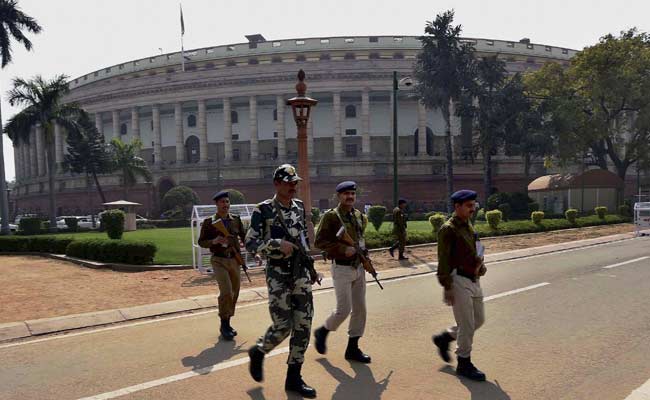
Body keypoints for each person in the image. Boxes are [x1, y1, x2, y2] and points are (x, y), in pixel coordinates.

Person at [245, 164, 317, 398]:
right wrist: (276, 245)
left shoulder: (299, 207)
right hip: (278, 275)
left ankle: (294, 378)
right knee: (283, 326)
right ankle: (259, 351)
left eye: (295, 182)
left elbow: (303, 240)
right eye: (288, 182)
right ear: (276, 183)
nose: (293, 186)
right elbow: (250, 244)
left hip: (300, 274)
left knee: (303, 326)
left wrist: (311, 268)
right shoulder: (263, 210)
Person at [313, 181, 372, 364]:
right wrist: (341, 249)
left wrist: (365, 257)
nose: (350, 197)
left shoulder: (360, 216)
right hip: (341, 268)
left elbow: (361, 240)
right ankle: (323, 331)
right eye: (346, 194)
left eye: (352, 194)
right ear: (338, 196)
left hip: (358, 267)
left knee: (360, 310)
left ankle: (352, 348)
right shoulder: (332, 217)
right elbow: (319, 242)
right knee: (344, 309)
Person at [432, 189, 488, 381]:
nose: (473, 209)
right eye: (469, 206)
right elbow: (443, 259)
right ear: (457, 207)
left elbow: (475, 250)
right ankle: (464, 363)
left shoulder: (468, 225)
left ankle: (445, 338)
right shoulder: (448, 229)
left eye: (474, 205)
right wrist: (447, 286)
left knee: (478, 320)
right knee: (466, 324)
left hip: (474, 278)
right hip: (458, 280)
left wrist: (481, 266)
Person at [197, 190, 245, 341]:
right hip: (219, 260)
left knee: (235, 292)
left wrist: (255, 253)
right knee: (226, 292)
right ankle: (224, 324)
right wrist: (214, 241)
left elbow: (245, 237)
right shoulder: (209, 222)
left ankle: (228, 322)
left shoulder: (236, 220)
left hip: (234, 260)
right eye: (222, 202)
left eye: (227, 202)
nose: (225, 205)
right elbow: (201, 241)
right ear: (216, 204)